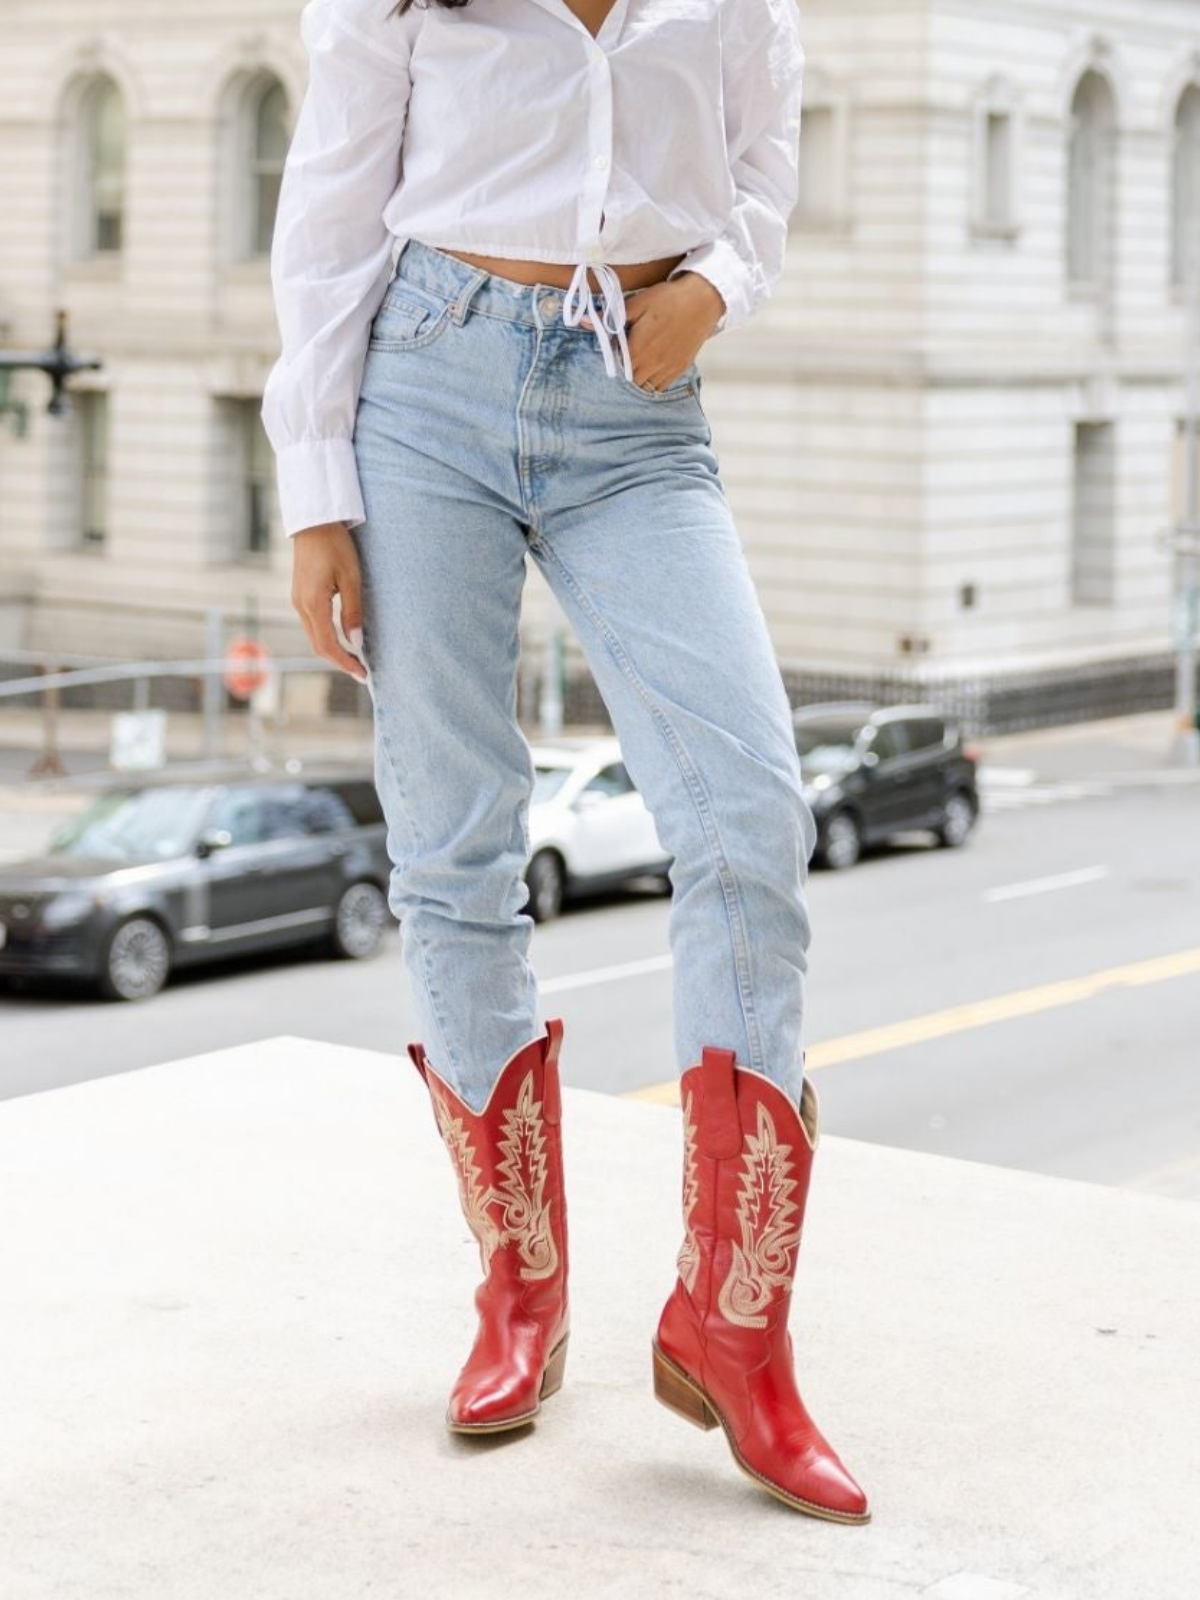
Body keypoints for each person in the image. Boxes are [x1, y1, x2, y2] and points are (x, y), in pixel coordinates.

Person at [263, 0, 870, 1524]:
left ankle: (735, 1326)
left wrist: (716, 287)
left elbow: (764, 167)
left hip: (640, 412)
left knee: (747, 818)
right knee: (456, 849)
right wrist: (314, 488)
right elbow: (332, 206)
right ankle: (520, 1288)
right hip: (426, 387)